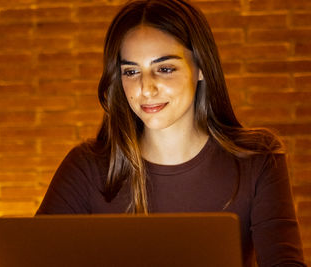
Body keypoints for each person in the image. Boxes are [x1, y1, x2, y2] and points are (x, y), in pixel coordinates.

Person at [36, 0, 306, 266]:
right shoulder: (87, 167)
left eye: (164, 69)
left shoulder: (256, 159)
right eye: (131, 71)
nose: (146, 88)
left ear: (200, 68)